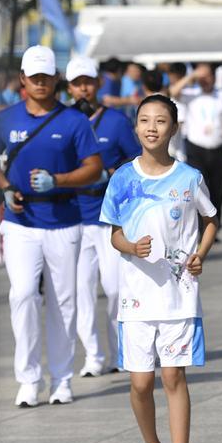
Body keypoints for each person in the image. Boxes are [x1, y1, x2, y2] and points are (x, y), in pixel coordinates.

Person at [101, 94, 216, 443]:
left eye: (161, 121)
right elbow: (114, 232)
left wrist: (199, 255)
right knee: (139, 382)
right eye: (145, 120)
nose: (152, 127)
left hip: (178, 294)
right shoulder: (122, 178)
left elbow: (210, 219)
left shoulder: (189, 177)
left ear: (174, 128)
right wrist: (131, 247)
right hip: (135, 296)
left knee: (172, 375)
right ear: (135, 127)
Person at [0, 45, 103, 407]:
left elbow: (93, 167)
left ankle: (61, 377)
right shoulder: (5, 119)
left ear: (56, 78)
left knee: (63, 301)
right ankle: (28, 379)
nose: (40, 82)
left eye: (46, 76)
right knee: (22, 293)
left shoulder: (73, 121)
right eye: (33, 77)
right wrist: (7, 188)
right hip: (20, 221)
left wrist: (58, 180)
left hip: (64, 220)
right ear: (23, 80)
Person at [65, 56, 142, 377]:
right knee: (81, 290)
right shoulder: (62, 121)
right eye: (76, 83)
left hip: (110, 219)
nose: (83, 88)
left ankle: (119, 352)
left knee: (114, 289)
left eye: (88, 81)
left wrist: (110, 173)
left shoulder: (116, 122)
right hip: (73, 218)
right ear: (68, 87)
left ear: (98, 84)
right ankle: (93, 357)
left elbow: (136, 163)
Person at [171, 63, 222, 230]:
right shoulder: (190, 93)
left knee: (218, 189)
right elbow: (173, 92)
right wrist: (192, 76)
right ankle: (200, 227)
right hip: (196, 148)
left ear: (214, 78)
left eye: (208, 76)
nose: (205, 80)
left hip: (218, 147)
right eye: (202, 77)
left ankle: (215, 226)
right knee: (199, 188)